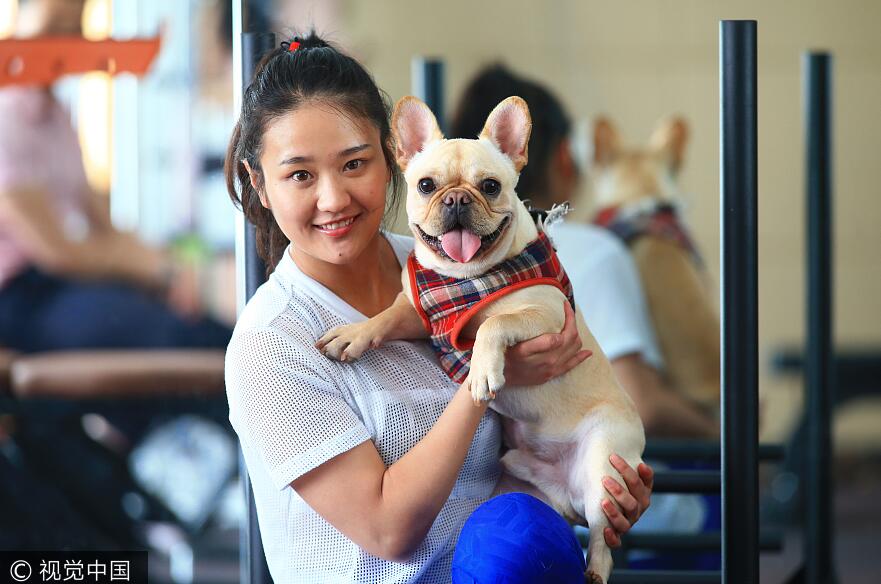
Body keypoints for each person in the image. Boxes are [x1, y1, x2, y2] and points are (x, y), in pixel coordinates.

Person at [224, 33, 653, 582]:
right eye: (300, 175)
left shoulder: (453, 265)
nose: (332, 198)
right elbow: (388, 532)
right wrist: (486, 377)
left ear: (388, 157)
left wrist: (600, 491)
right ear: (260, 185)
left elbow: (551, 422)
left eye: (354, 164)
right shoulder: (273, 339)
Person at [450, 64, 717, 439]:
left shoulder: (431, 264)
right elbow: (642, 405)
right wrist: (726, 433)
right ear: (563, 157)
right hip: (593, 471)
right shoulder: (595, 252)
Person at [0, 0, 232, 352]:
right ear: (19, 19)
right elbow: (56, 251)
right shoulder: (6, 115)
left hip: (64, 285)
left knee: (210, 331)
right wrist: (154, 269)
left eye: (75, 26)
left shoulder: (58, 116)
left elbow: (102, 225)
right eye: (55, 24)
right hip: (21, 298)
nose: (67, 39)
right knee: (169, 335)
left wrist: (168, 273)